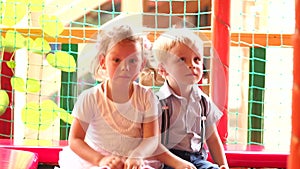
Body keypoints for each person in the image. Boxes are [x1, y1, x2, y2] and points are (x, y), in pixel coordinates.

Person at [58, 25, 160, 169]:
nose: (125, 67)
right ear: (103, 62)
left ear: (142, 64)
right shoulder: (90, 98)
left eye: (132, 61)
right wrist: (100, 159)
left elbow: (151, 139)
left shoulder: (146, 97)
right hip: (96, 158)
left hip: (133, 158)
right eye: (116, 60)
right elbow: (75, 140)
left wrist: (137, 155)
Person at [151, 28, 229, 169]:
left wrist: (223, 165)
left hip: (197, 159)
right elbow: (153, 144)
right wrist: (178, 164)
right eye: (182, 59)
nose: (192, 65)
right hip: (168, 160)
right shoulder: (158, 102)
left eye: (197, 59)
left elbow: (212, 139)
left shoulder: (204, 102)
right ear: (163, 70)